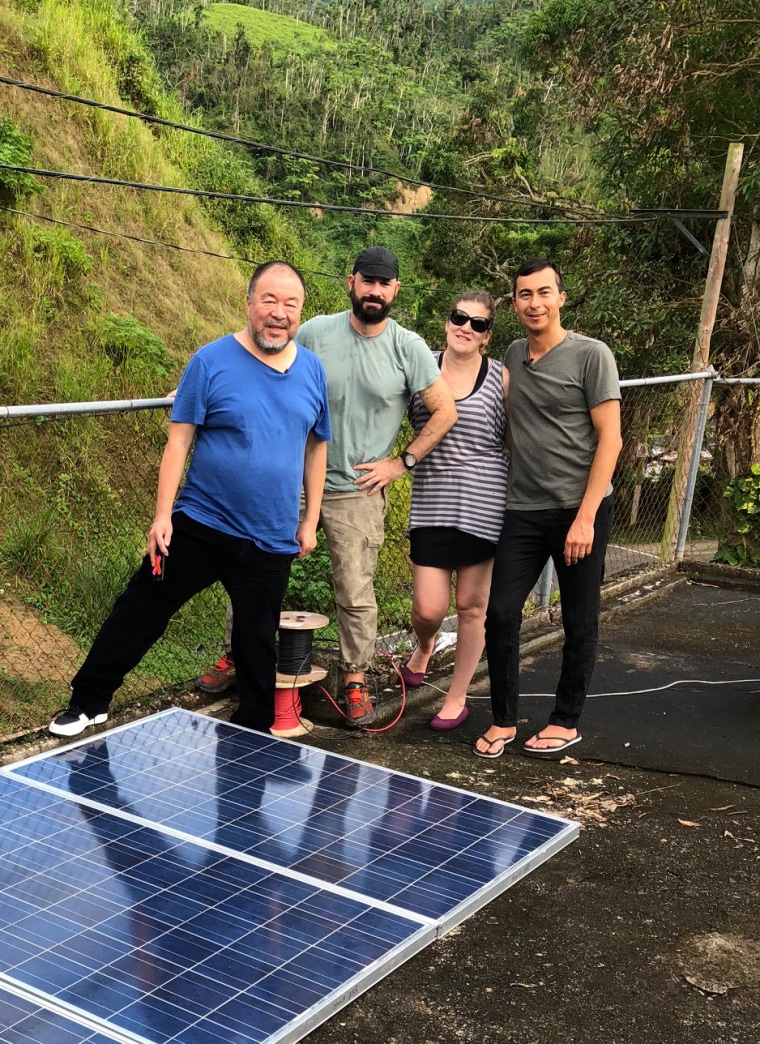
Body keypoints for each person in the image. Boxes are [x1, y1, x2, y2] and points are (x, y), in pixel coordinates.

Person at [49, 261, 331, 738]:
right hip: (201, 523)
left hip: (271, 536)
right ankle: (88, 701)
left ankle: (254, 733)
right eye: (269, 300)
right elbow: (178, 442)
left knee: (256, 640)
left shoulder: (312, 371)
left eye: (290, 304)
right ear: (249, 303)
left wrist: (310, 520)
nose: (278, 313)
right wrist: (163, 516)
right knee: (140, 610)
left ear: (301, 311)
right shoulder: (210, 361)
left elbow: (317, 444)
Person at [198, 246, 457, 727]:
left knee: (355, 590)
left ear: (395, 290)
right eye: (367, 281)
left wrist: (402, 462)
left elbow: (445, 410)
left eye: (384, 283)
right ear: (351, 282)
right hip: (286, 480)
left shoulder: (409, 347)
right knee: (251, 577)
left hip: (356, 490)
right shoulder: (315, 331)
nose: (374, 291)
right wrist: (195, 386)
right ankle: (239, 657)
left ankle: (355, 679)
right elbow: (257, 354)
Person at [474, 257, 622, 759]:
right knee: (499, 614)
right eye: (523, 295)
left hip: (579, 509)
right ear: (514, 303)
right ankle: (503, 719)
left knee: (579, 620)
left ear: (561, 297)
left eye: (543, 292)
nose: (534, 303)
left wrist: (584, 518)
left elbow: (611, 440)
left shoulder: (591, 355)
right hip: (523, 509)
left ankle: (565, 719)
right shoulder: (514, 354)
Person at [402, 291, 508, 730]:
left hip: (485, 505)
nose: (467, 327)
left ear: (487, 336)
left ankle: (457, 696)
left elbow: (522, 437)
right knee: (428, 608)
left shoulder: (502, 377)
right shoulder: (419, 366)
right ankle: (425, 645)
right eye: (460, 317)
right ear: (447, 322)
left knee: (470, 607)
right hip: (431, 500)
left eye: (479, 323)